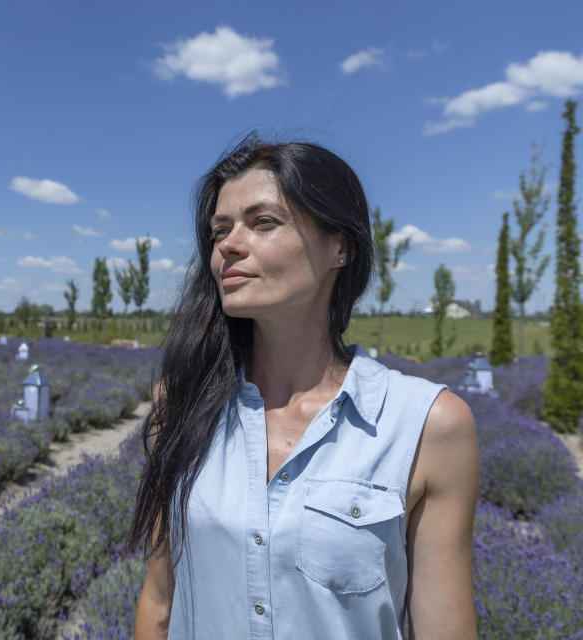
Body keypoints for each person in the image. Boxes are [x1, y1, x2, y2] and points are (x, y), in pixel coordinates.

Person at [129, 136, 479, 640]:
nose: (227, 244)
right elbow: (160, 603)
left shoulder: (428, 427)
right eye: (219, 230)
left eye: (264, 221)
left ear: (341, 246)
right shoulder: (182, 401)